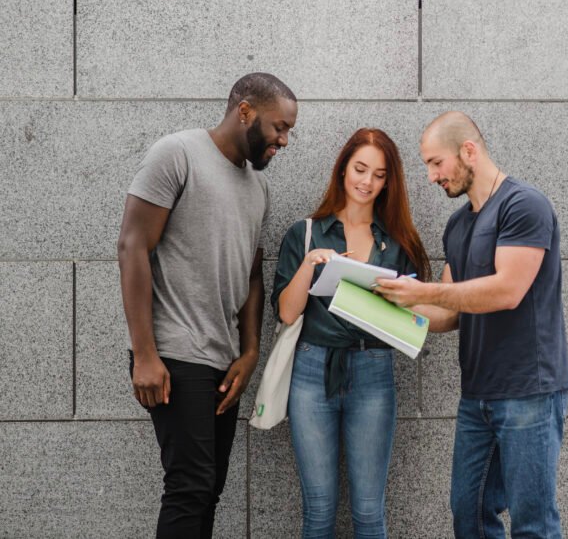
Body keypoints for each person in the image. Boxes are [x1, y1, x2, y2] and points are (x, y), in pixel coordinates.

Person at [375, 111, 568, 539]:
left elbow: (507, 290)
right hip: (478, 395)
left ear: (469, 150)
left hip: (529, 392)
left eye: (435, 162)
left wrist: (422, 292)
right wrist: (380, 303)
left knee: (533, 524)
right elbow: (449, 313)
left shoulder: (523, 205)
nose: (430, 176)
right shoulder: (458, 224)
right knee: (469, 513)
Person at [117, 72, 297, 538]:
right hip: (175, 353)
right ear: (245, 112)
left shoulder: (258, 188)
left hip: (222, 359)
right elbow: (132, 246)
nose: (284, 139)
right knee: (189, 487)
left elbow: (252, 274)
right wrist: (145, 354)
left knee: (208, 489)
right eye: (280, 127)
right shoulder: (177, 154)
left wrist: (251, 351)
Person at [273, 128, 431, 539]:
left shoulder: (399, 241)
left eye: (379, 175)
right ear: (343, 168)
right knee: (319, 510)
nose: (367, 182)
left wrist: (397, 299)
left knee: (368, 511)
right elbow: (288, 313)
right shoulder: (305, 232)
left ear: (388, 182)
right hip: (312, 369)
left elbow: (421, 314)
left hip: (373, 368)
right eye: (360, 169)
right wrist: (311, 263)